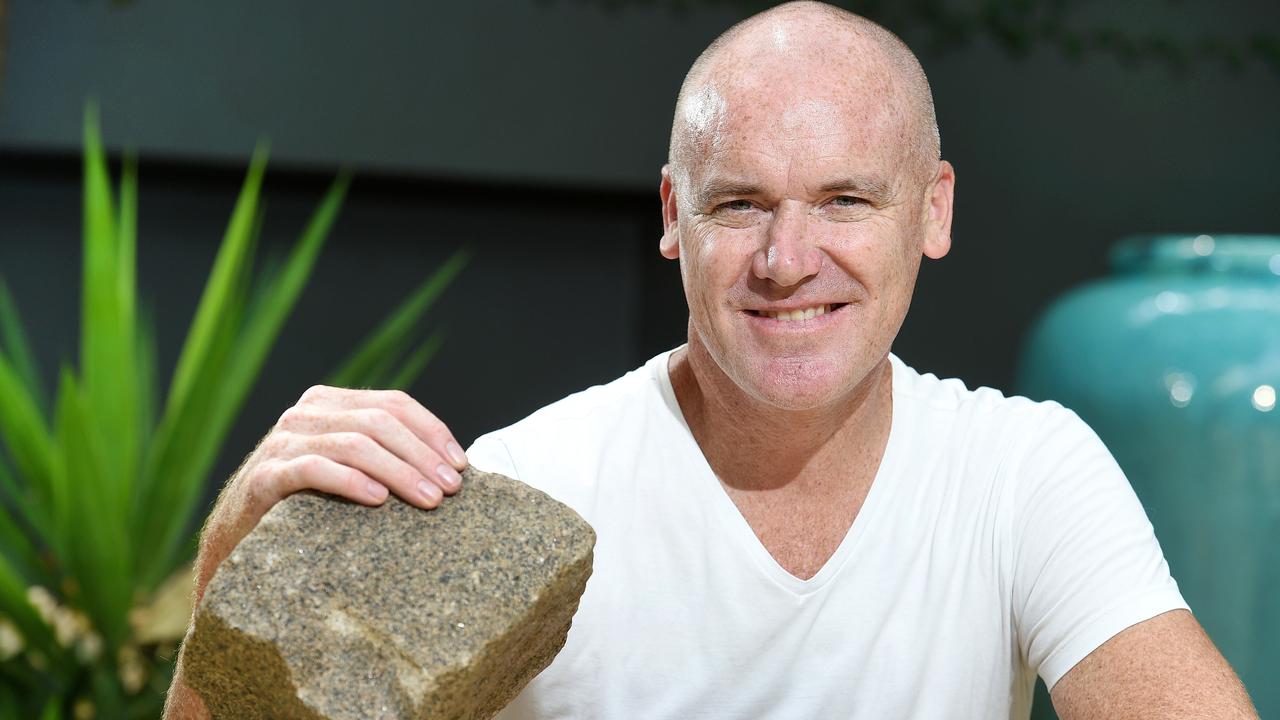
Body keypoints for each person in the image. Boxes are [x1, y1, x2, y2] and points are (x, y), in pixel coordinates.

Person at [163, 2, 1258, 718]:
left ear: (931, 211)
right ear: (672, 215)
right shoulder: (529, 488)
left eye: (843, 199)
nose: (788, 260)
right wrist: (235, 554)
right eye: (739, 204)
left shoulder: (1021, 473)